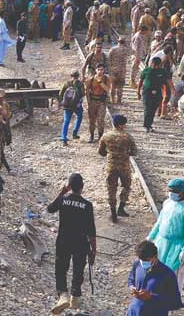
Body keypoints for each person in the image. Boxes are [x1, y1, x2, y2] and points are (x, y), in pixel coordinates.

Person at [47, 173, 97, 314]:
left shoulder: (63, 200)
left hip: (63, 241)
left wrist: (61, 193)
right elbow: (91, 230)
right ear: (82, 187)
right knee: (78, 269)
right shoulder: (87, 205)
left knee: (61, 268)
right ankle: (75, 296)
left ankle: (63, 294)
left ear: (69, 186)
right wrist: (93, 250)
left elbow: (50, 209)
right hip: (81, 243)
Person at [98, 115, 138, 222]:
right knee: (126, 186)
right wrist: (126, 153)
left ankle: (113, 212)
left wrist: (110, 153)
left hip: (111, 167)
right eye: (124, 124)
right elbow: (134, 152)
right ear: (121, 125)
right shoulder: (127, 137)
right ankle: (121, 208)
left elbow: (101, 152)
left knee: (111, 188)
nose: (125, 126)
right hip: (124, 167)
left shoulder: (106, 136)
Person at [126, 241, 182, 315]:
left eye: (147, 261)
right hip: (135, 311)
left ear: (155, 256)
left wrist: (151, 297)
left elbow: (175, 303)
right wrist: (132, 287)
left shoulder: (167, 274)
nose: (143, 263)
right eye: (141, 260)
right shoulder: (137, 264)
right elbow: (131, 279)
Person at [147, 179, 184, 289]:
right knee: (158, 268)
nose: (171, 193)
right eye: (170, 190)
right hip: (161, 242)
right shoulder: (167, 203)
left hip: (177, 246)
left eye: (175, 191)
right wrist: (151, 236)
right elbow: (160, 222)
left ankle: (172, 300)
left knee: (174, 274)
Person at [138, 57, 172, 132]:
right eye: (153, 64)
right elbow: (140, 81)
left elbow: (168, 79)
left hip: (157, 93)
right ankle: (147, 125)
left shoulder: (162, 71)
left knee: (153, 109)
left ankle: (149, 124)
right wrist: (138, 92)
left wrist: (172, 89)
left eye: (156, 65)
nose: (154, 66)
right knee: (147, 108)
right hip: (147, 92)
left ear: (159, 65)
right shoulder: (146, 70)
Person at [85, 64, 110, 143]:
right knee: (92, 120)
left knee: (100, 120)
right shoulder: (90, 79)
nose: (100, 71)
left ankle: (100, 136)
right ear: (96, 70)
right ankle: (91, 135)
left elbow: (107, 89)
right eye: (98, 69)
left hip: (102, 102)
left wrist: (100, 82)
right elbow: (87, 91)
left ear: (104, 70)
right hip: (93, 101)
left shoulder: (106, 79)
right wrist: (88, 102)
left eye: (102, 70)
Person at [109, 36, 133, 103]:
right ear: (124, 42)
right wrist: (127, 44)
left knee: (112, 85)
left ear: (118, 41)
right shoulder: (126, 49)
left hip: (113, 70)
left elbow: (109, 59)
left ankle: (112, 100)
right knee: (120, 86)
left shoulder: (112, 49)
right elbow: (133, 51)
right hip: (122, 71)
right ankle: (119, 101)